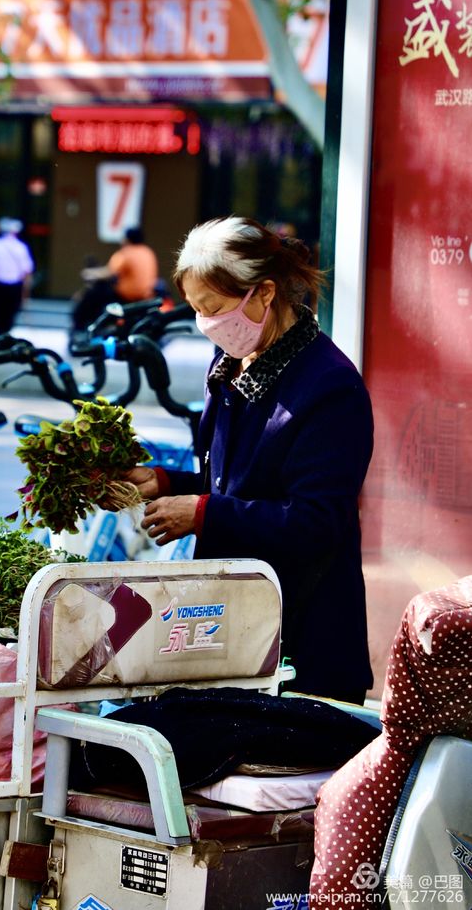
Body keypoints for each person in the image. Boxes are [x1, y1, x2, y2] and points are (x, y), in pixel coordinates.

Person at [126, 216, 375, 704]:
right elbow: (231, 480)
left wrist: (202, 514)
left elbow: (315, 521)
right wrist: (162, 482)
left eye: (214, 308)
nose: (207, 324)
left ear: (263, 293)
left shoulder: (329, 387)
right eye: (198, 310)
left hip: (303, 640)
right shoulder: (230, 366)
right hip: (231, 627)